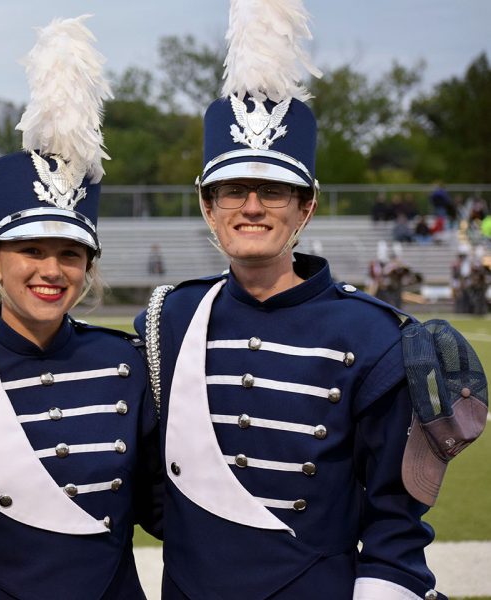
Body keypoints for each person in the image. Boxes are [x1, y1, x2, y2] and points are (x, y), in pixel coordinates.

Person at [136, 1, 443, 598]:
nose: (251, 206)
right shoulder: (170, 319)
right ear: (208, 206)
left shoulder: (375, 334)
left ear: (307, 207)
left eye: (273, 190)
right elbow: (152, 483)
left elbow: (394, 523)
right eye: (231, 191)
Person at [0, 17, 160, 599]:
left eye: (70, 253)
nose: (51, 271)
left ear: (89, 265)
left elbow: (171, 510)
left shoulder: (129, 364)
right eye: (30, 250)